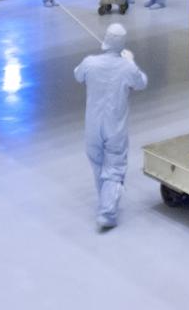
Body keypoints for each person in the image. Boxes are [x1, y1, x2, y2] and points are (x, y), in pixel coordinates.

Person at [74, 23, 147, 229]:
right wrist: (130, 61)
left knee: (98, 163)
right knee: (114, 168)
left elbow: (78, 74)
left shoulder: (90, 63)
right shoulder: (127, 67)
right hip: (115, 127)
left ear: (106, 41)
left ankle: (104, 201)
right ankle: (107, 212)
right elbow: (141, 82)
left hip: (93, 126)